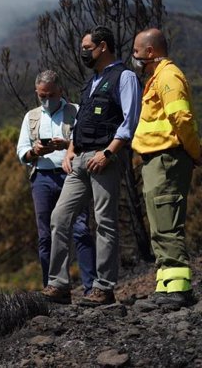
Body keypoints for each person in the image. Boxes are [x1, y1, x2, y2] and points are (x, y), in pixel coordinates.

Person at [41, 25, 142, 306]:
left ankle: (104, 287)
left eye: (87, 47)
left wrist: (108, 154)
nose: (84, 52)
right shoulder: (92, 81)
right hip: (81, 160)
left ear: (103, 47)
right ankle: (59, 285)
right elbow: (80, 122)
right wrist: (70, 151)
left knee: (105, 223)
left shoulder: (125, 77)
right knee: (59, 218)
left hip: (104, 158)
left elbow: (129, 121)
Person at [131, 28, 202, 309]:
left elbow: (181, 118)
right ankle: (165, 285)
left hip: (167, 159)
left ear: (150, 52)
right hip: (156, 160)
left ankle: (178, 290)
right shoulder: (157, 78)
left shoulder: (169, 76)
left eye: (137, 51)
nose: (134, 56)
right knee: (160, 225)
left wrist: (195, 152)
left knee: (167, 223)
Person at [16, 70, 96, 293]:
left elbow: (86, 141)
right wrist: (35, 150)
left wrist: (66, 145)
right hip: (42, 177)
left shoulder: (76, 111)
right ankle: (52, 286)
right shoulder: (31, 117)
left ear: (60, 90)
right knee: (45, 235)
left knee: (80, 229)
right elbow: (21, 151)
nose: (46, 100)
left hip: (72, 176)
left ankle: (90, 287)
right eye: (42, 95)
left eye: (51, 94)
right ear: (36, 92)